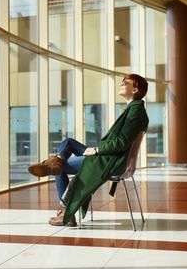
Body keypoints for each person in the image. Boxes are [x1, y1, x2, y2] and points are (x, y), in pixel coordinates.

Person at [28, 73, 149, 227]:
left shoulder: (136, 111)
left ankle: (66, 211)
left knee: (60, 168)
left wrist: (97, 150)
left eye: (125, 82)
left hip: (110, 160)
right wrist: (95, 150)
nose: (122, 83)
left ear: (135, 89)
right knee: (69, 142)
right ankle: (54, 161)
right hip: (108, 156)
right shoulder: (133, 109)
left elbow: (122, 142)